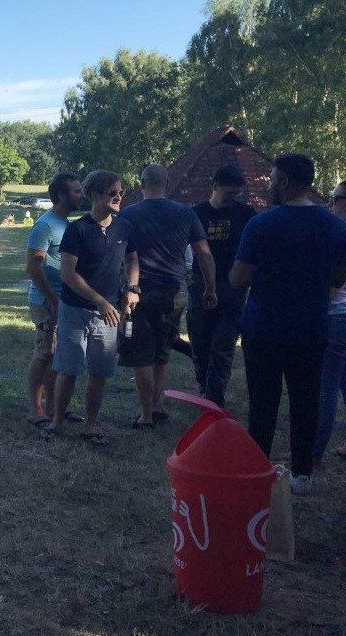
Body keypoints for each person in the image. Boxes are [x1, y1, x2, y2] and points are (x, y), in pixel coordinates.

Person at [230, 153, 346, 494]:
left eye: (273, 179)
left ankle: (258, 469)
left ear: (286, 182)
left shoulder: (261, 224)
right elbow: (338, 277)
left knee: (263, 402)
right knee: (306, 399)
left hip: (264, 327)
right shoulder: (335, 226)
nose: (270, 185)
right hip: (311, 326)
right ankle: (301, 474)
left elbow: (238, 279)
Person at [44, 170, 139, 444]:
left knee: (100, 371)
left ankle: (91, 425)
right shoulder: (78, 229)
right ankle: (57, 422)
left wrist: (133, 288)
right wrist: (99, 300)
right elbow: (68, 274)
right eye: (113, 193)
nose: (119, 197)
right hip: (75, 310)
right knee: (69, 368)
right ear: (95, 195)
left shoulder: (124, 227)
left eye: (121, 192)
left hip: (109, 313)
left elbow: (132, 260)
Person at [119, 164, 217, 428]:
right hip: (175, 291)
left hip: (140, 291)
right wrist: (210, 288)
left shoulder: (128, 214)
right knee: (162, 351)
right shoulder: (185, 213)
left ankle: (146, 415)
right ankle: (157, 406)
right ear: (167, 183)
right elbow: (204, 253)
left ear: (142, 183)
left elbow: (120, 254)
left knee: (141, 352)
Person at [187, 165, 258, 406]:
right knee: (200, 342)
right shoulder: (196, 214)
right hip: (200, 285)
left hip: (233, 288)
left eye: (236, 194)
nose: (232, 199)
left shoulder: (246, 214)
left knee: (223, 344)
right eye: (228, 193)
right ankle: (204, 387)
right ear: (215, 186)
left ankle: (215, 397)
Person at [26, 172, 84, 427]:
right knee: (44, 354)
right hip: (46, 300)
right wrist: (51, 297)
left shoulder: (66, 224)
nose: (81, 195)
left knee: (57, 355)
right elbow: (33, 265)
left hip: (64, 299)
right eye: (76, 191)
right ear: (61, 195)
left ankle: (55, 407)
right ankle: (35, 409)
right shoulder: (45, 225)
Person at [314, 180, 346, 464]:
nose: (329, 203)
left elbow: (332, 289)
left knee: (326, 387)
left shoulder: (339, 236)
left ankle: (313, 453)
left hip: (336, 315)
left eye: (335, 199)